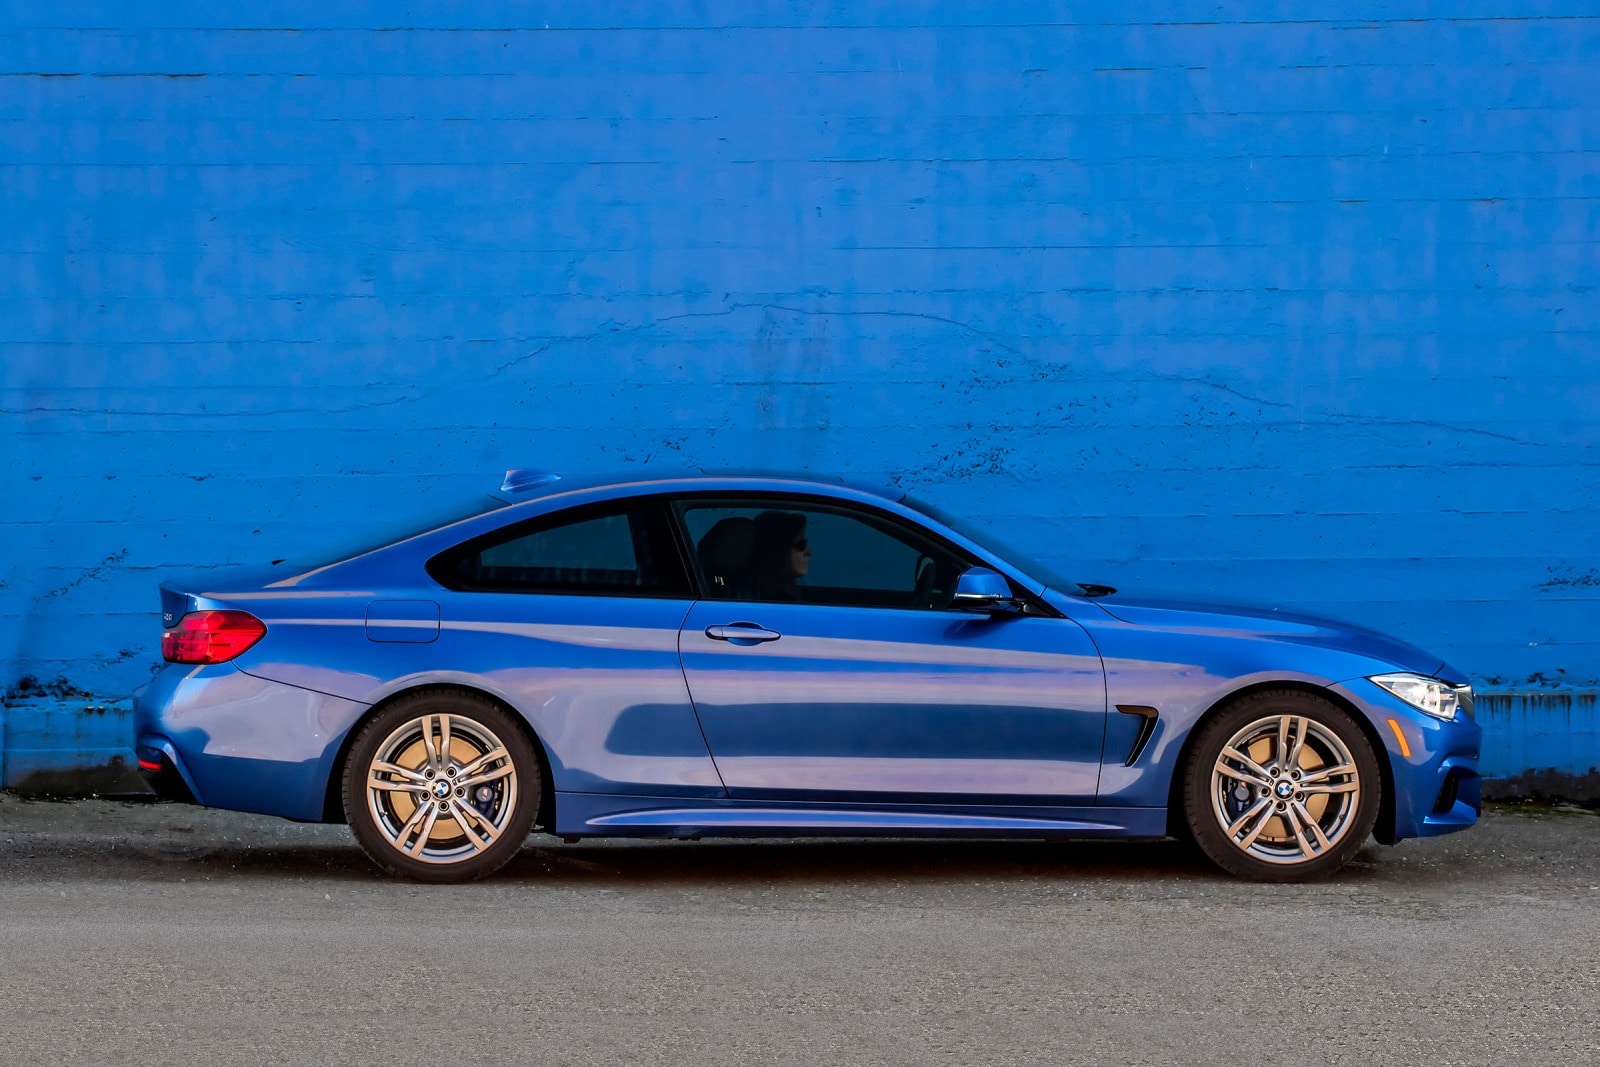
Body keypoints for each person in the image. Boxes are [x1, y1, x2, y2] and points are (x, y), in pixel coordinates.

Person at [749, 510, 811, 601]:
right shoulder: (775, 599)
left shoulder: (783, 592)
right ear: (778, 549)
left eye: (805, 543)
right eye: (801, 545)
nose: (809, 552)